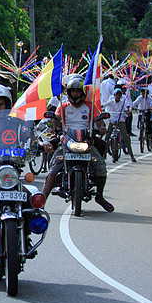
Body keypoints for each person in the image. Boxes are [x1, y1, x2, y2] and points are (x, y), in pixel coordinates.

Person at [40, 77, 113, 212]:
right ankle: (43, 199)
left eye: (77, 91)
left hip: (86, 141)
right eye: (72, 91)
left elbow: (98, 120)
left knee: (101, 166)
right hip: (67, 141)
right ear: (68, 92)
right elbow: (56, 119)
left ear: (82, 92)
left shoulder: (90, 105)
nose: (75, 94)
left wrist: (101, 127)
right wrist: (55, 127)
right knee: (54, 168)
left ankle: (99, 196)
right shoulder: (63, 106)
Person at [103, 85, 135, 162]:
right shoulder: (111, 101)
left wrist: (128, 111)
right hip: (112, 120)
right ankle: (104, 154)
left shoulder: (123, 102)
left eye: (119, 94)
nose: (118, 96)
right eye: (116, 94)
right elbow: (104, 105)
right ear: (114, 95)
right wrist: (100, 108)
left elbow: (127, 107)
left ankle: (131, 155)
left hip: (120, 120)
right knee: (107, 138)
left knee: (125, 137)